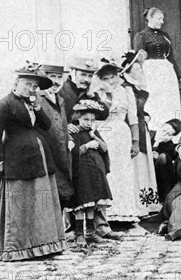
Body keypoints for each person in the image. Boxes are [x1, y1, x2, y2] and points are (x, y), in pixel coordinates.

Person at [0, 63, 67, 261]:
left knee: (41, 202)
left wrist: (38, 108)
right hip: (17, 159)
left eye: (34, 86)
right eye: (27, 84)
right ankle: (19, 247)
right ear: (16, 83)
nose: (31, 89)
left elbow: (46, 125)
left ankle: (44, 244)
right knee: (22, 203)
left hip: (40, 157)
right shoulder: (4, 105)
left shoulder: (31, 103)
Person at [61, 57, 122, 241]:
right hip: (70, 139)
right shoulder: (63, 92)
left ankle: (101, 227)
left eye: (89, 75)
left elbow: (102, 113)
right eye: (83, 74)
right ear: (74, 74)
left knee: (97, 180)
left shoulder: (90, 92)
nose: (86, 79)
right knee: (74, 183)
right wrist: (66, 128)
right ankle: (73, 229)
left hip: (89, 137)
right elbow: (55, 116)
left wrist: (96, 95)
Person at [95, 59, 148, 222]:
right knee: (108, 171)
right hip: (104, 132)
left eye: (112, 77)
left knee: (123, 171)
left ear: (118, 76)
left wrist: (135, 141)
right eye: (105, 78)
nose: (110, 81)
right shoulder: (98, 94)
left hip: (121, 132)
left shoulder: (126, 91)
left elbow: (133, 117)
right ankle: (107, 214)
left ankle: (125, 212)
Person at [133, 7, 181, 131]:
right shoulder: (141, 36)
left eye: (163, 19)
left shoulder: (165, 36)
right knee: (153, 103)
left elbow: (171, 58)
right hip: (150, 74)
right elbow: (139, 59)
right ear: (150, 18)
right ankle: (154, 134)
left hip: (166, 74)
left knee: (168, 103)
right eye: (159, 18)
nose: (162, 22)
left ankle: (172, 134)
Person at [69, 100, 113, 247]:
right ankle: (79, 234)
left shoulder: (92, 133)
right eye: (86, 119)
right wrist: (86, 146)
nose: (89, 123)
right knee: (81, 203)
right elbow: (72, 153)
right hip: (81, 174)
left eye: (92, 120)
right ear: (78, 118)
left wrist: (94, 136)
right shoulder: (74, 133)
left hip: (94, 173)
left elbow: (104, 149)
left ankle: (91, 233)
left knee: (91, 203)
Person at [121, 50, 160, 213]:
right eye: (138, 69)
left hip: (141, 126)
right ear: (128, 72)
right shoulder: (126, 88)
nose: (141, 72)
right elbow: (134, 110)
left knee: (144, 164)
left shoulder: (135, 87)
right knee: (138, 165)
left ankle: (148, 202)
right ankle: (139, 203)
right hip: (132, 129)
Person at [36, 64, 74, 213]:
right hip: (47, 151)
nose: (56, 82)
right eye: (52, 77)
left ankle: (60, 231)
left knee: (63, 192)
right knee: (49, 191)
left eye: (59, 77)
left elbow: (63, 124)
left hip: (62, 152)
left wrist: (69, 138)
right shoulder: (37, 98)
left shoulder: (60, 99)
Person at [152, 118, 181, 203]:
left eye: (168, 134)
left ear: (171, 137)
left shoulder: (169, 145)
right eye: (164, 130)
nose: (164, 134)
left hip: (159, 175)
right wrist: (156, 143)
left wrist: (158, 155)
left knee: (164, 157)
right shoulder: (149, 135)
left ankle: (164, 197)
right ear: (161, 126)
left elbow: (169, 159)